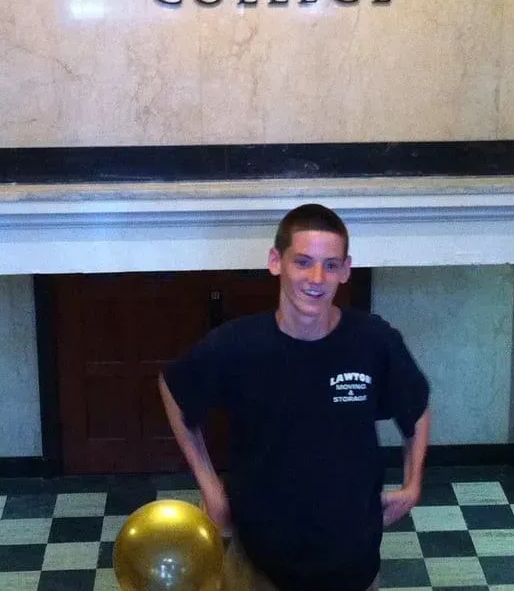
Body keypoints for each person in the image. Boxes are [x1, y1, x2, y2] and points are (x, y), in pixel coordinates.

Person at [159, 203, 431, 591]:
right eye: (303, 262)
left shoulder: (374, 341)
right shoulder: (238, 345)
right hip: (258, 562)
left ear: (346, 269)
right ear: (276, 262)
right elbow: (173, 390)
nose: (316, 278)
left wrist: (413, 483)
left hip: (351, 561)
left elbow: (416, 410)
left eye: (330, 265)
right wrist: (210, 485)